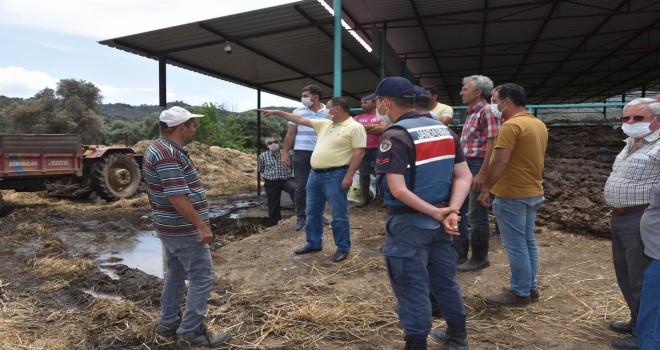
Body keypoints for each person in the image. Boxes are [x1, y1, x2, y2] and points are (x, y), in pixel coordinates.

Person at [370, 77, 472, 350]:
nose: (377, 105)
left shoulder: (395, 136)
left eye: (378, 101)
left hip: (409, 223)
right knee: (444, 282)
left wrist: (438, 214)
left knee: (411, 289)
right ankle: (457, 337)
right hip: (440, 220)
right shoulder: (444, 131)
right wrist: (451, 210)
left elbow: (399, 190)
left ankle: (416, 343)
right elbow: (464, 176)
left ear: (387, 102)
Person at [143, 106, 230, 348]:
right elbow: (177, 196)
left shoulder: (159, 148)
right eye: (193, 124)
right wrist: (201, 225)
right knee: (202, 276)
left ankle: (168, 322)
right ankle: (192, 331)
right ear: (182, 127)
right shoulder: (167, 154)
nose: (195, 128)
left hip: (168, 226)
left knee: (175, 274)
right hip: (182, 228)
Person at [260, 97, 366, 262]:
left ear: (338, 109)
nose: (324, 111)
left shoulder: (355, 127)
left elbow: (359, 153)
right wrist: (277, 112)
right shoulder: (325, 124)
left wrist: (349, 175)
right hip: (315, 175)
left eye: (328, 107)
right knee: (313, 212)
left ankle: (343, 247)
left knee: (338, 214)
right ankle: (314, 243)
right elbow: (299, 119)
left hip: (336, 175)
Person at [477, 83, 547, 308]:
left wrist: (487, 187)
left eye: (495, 100)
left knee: (516, 244)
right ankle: (530, 287)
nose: (493, 105)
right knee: (527, 242)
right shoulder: (537, 124)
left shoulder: (510, 126)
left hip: (512, 193)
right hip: (533, 191)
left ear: (507, 101)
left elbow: (500, 161)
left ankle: (519, 293)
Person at [604, 97, 659, 350]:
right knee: (624, 272)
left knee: (640, 277)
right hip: (621, 216)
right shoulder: (629, 143)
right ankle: (636, 318)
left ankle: (644, 333)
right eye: (626, 118)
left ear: (656, 120)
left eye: (639, 118)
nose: (630, 122)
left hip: (643, 218)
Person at [456, 75, 500, 272]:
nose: (461, 92)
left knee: (476, 214)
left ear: (477, 92)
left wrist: (483, 173)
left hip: (477, 164)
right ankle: (459, 254)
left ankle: (480, 257)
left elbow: (493, 143)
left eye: (465, 89)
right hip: (467, 164)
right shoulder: (472, 112)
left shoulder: (486, 111)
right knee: (460, 210)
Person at [282, 85, 327, 231]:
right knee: (300, 187)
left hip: (321, 153)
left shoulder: (327, 112)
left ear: (316, 97)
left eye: (306, 96)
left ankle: (319, 215)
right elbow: (290, 134)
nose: (303, 99)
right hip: (301, 153)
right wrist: (284, 153)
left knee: (320, 186)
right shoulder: (297, 111)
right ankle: (301, 217)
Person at [353, 96, 388, 208]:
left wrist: (362, 128)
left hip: (379, 148)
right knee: (363, 173)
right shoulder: (357, 117)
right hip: (363, 148)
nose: (363, 105)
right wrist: (374, 127)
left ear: (374, 103)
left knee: (382, 173)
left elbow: (382, 129)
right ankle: (365, 198)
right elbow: (354, 130)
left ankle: (385, 198)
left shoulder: (382, 116)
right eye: (361, 103)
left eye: (365, 102)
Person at [257, 136, 296, 226]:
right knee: (273, 203)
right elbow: (260, 169)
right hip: (271, 182)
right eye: (270, 143)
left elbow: (294, 166)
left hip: (286, 179)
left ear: (279, 143)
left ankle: (301, 215)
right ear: (267, 146)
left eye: (275, 142)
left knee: (295, 189)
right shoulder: (263, 156)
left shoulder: (288, 154)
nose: (273, 144)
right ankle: (275, 224)